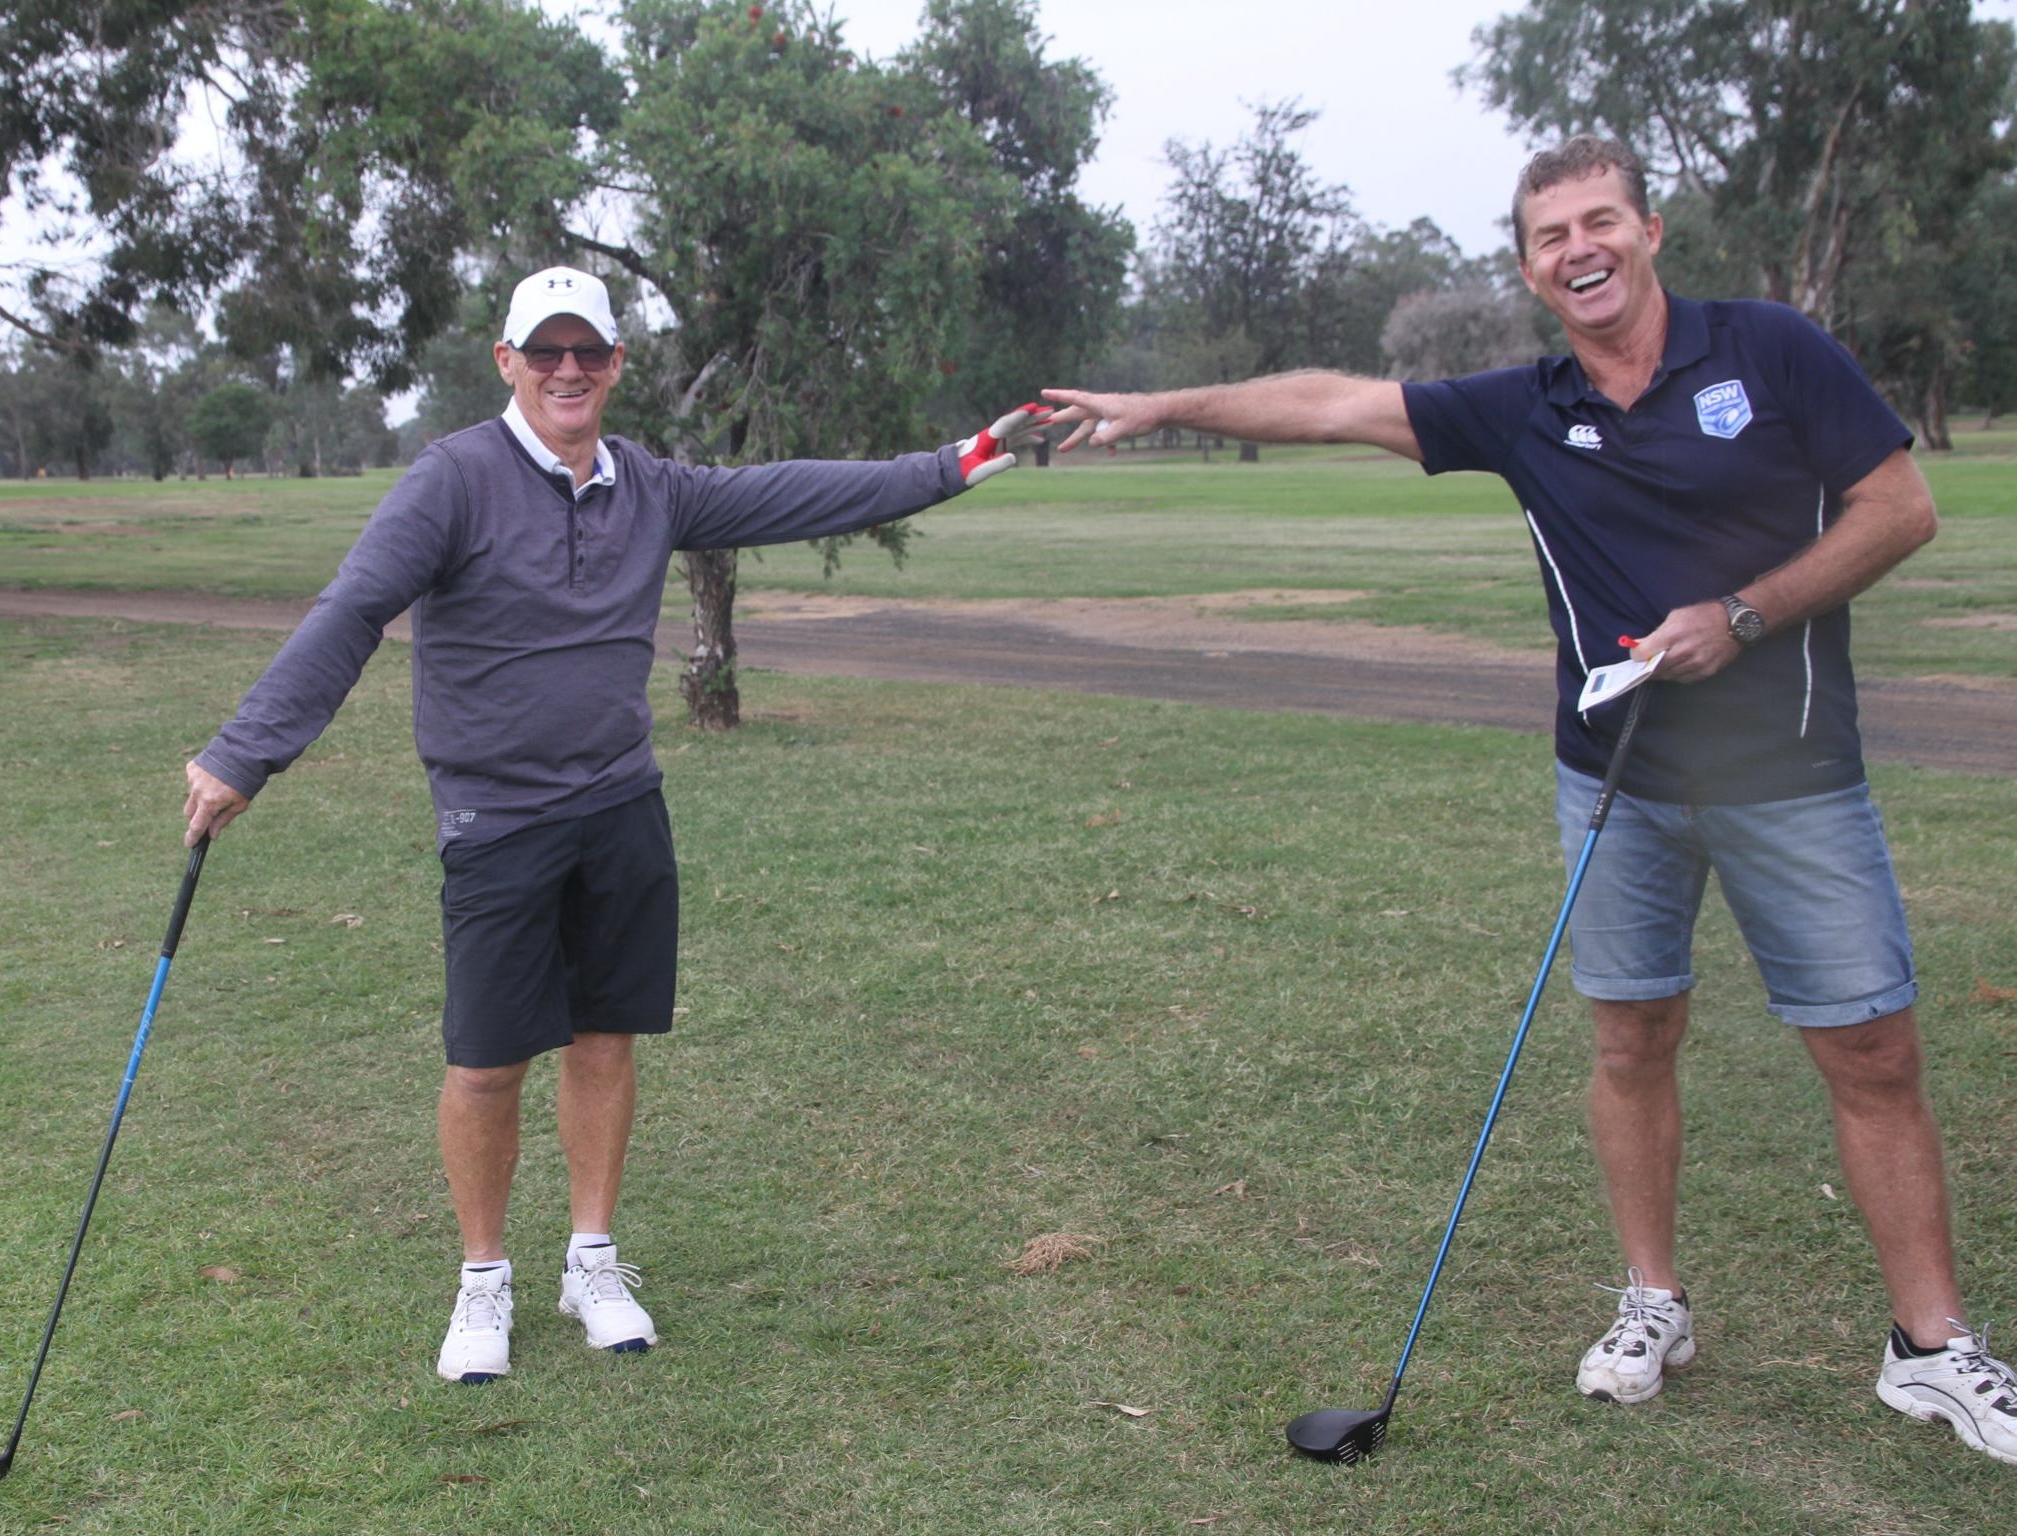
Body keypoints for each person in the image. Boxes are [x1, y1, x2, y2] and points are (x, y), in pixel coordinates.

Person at [1044, 136, 2015, 1466]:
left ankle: (1931, 1348)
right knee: (1631, 1040)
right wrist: (1159, 407)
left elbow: (1899, 508)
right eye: (1552, 236)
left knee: (1873, 1051)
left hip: (1792, 775)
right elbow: (1331, 402)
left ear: (1651, 230)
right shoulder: (1524, 406)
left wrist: (1742, 612)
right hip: (1616, 781)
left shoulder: (1771, 350)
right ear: (1528, 266)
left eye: (1600, 222)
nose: (1581, 250)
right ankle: (1651, 1303)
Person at [182, 265, 1052, 1384]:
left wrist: (964, 458)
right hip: (496, 818)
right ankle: (482, 1280)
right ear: (505, 363)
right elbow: (352, 611)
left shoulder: (649, 484)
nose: (566, 370)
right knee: (488, 1059)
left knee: (603, 1037)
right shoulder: (450, 480)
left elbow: (799, 495)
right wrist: (246, 750)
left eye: (586, 351)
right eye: (542, 351)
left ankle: (590, 1259)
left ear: (615, 364)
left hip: (619, 805)